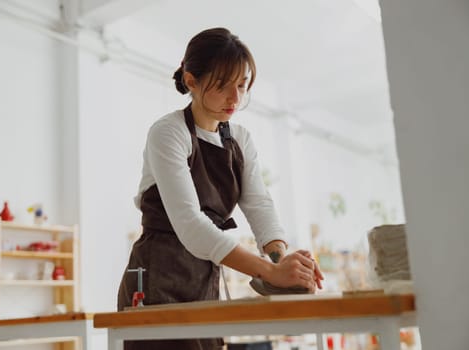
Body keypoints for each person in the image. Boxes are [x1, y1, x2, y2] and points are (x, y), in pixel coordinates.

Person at [117, 27, 324, 350]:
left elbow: (259, 206)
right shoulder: (168, 133)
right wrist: (271, 272)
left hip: (203, 276)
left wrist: (284, 263)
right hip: (157, 279)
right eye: (223, 86)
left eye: (242, 86)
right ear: (191, 81)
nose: (236, 98)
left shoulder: (240, 139)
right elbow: (191, 225)